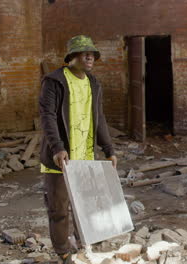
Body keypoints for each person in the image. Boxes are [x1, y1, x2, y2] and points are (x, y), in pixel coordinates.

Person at [39, 35, 117, 263]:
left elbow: (99, 117)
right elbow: (48, 116)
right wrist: (57, 147)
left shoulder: (93, 82)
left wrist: (109, 148)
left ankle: (84, 244)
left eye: (92, 53)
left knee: (86, 205)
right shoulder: (54, 81)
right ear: (71, 57)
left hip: (85, 157)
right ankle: (63, 251)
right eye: (84, 53)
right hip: (60, 159)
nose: (90, 56)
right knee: (59, 208)